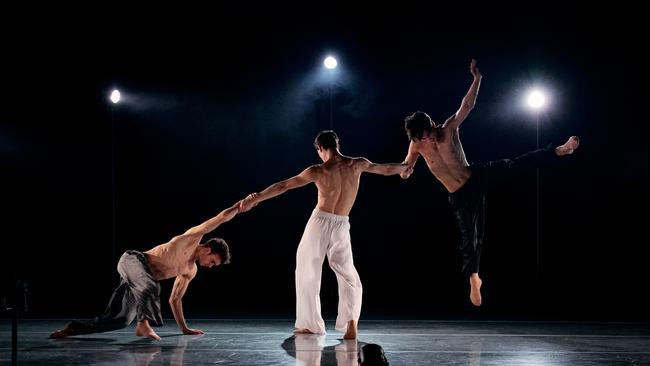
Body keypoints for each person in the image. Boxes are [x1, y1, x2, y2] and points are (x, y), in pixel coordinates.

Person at [400, 59, 579, 306]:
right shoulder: (416, 144)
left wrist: (477, 79)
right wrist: (405, 172)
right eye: (423, 138)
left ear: (432, 124)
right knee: (470, 237)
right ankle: (474, 278)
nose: (429, 140)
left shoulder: (449, 129)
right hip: (459, 196)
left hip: (475, 176)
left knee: (514, 164)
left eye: (430, 133)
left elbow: (467, 105)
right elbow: (406, 166)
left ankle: (558, 151)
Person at [240, 131, 410, 339]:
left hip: (320, 221)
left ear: (320, 148)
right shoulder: (357, 164)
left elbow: (284, 186)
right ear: (338, 144)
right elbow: (385, 169)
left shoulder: (318, 170)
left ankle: (310, 325)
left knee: (306, 268)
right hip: (341, 223)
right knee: (347, 272)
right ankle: (351, 323)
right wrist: (404, 167)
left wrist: (256, 198)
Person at [49, 202, 240, 340]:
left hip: (139, 282)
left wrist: (184, 328)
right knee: (150, 285)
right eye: (213, 261)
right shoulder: (190, 239)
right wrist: (240, 206)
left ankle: (71, 329)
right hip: (132, 260)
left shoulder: (190, 270)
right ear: (208, 249)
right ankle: (143, 324)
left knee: (120, 320)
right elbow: (221, 218)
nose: (211, 266)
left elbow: (175, 299)